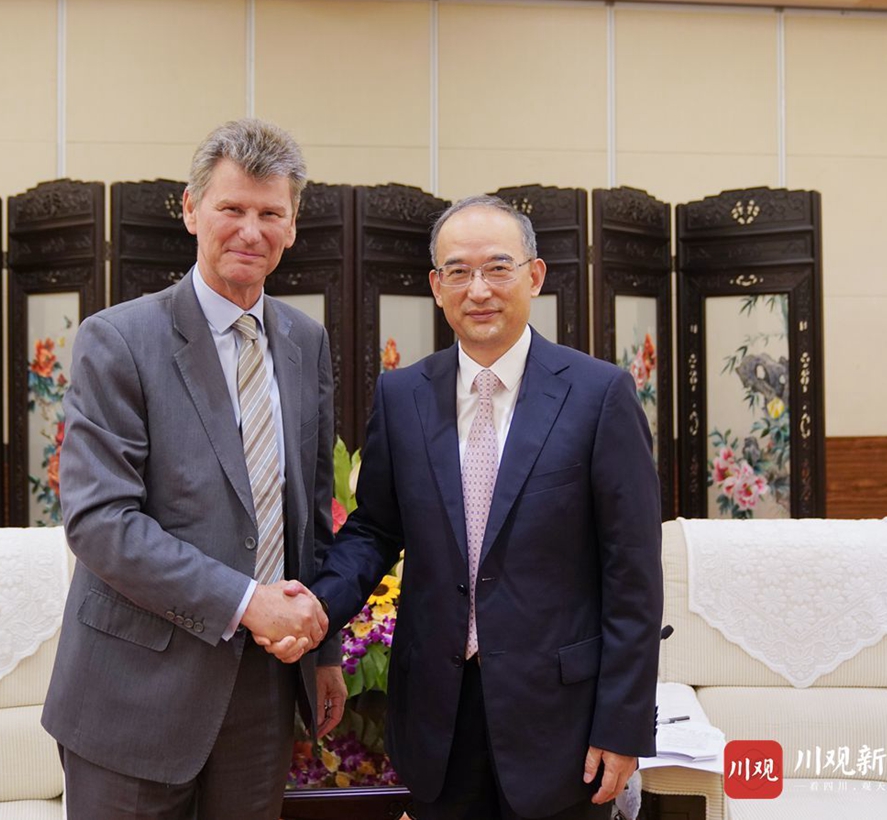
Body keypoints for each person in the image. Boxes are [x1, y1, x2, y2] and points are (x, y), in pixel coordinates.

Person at [281, 195, 663, 819]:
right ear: (436, 287)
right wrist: (318, 609)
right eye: (457, 271)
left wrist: (623, 725)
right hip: (438, 715)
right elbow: (374, 530)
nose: (478, 289)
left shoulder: (600, 395)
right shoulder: (402, 394)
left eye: (498, 268)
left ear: (534, 276)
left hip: (560, 721)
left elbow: (634, 576)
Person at [42, 118, 348, 820]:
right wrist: (247, 603)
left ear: (293, 224)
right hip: (133, 692)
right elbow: (100, 523)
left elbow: (309, 514)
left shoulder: (305, 341)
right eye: (231, 208)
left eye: (270, 213)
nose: (251, 231)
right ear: (190, 208)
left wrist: (323, 650)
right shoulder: (118, 339)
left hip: (263, 690)